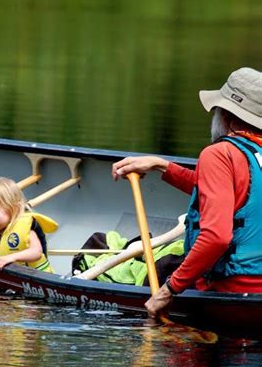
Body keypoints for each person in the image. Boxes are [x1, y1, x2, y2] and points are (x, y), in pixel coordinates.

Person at [111, 67, 262, 317]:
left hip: (233, 289)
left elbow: (216, 237)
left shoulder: (219, 154)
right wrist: (162, 165)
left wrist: (168, 290)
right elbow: (229, 193)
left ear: (224, 114)